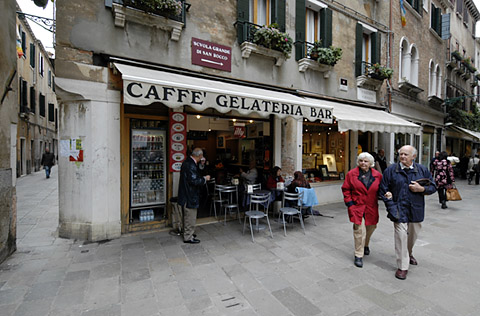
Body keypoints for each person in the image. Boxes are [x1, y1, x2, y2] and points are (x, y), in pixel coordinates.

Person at [379, 145, 436, 280]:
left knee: (412, 236)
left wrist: (421, 189)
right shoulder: (391, 170)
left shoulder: (421, 170)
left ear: (413, 157)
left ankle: (408, 253)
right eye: (401, 154)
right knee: (400, 237)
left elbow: (433, 186)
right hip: (398, 209)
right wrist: (390, 204)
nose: (403, 157)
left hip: (416, 209)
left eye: (406, 154)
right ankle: (402, 266)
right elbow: (383, 189)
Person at [342, 152, 382, 268]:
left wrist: (387, 195)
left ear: (371, 163)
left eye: (366, 161)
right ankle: (358, 255)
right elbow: (346, 189)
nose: (363, 163)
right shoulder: (351, 174)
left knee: (371, 227)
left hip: (371, 207)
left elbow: (381, 188)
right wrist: (350, 204)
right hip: (357, 206)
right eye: (361, 161)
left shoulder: (377, 175)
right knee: (359, 230)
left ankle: (366, 244)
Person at [178, 148, 211, 244]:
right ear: (199, 156)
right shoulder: (190, 165)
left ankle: (188, 233)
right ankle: (188, 237)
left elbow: (194, 174)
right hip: (189, 195)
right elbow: (193, 180)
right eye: (201, 156)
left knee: (187, 216)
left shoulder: (188, 162)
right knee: (190, 216)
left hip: (186, 194)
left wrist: (201, 165)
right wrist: (205, 179)